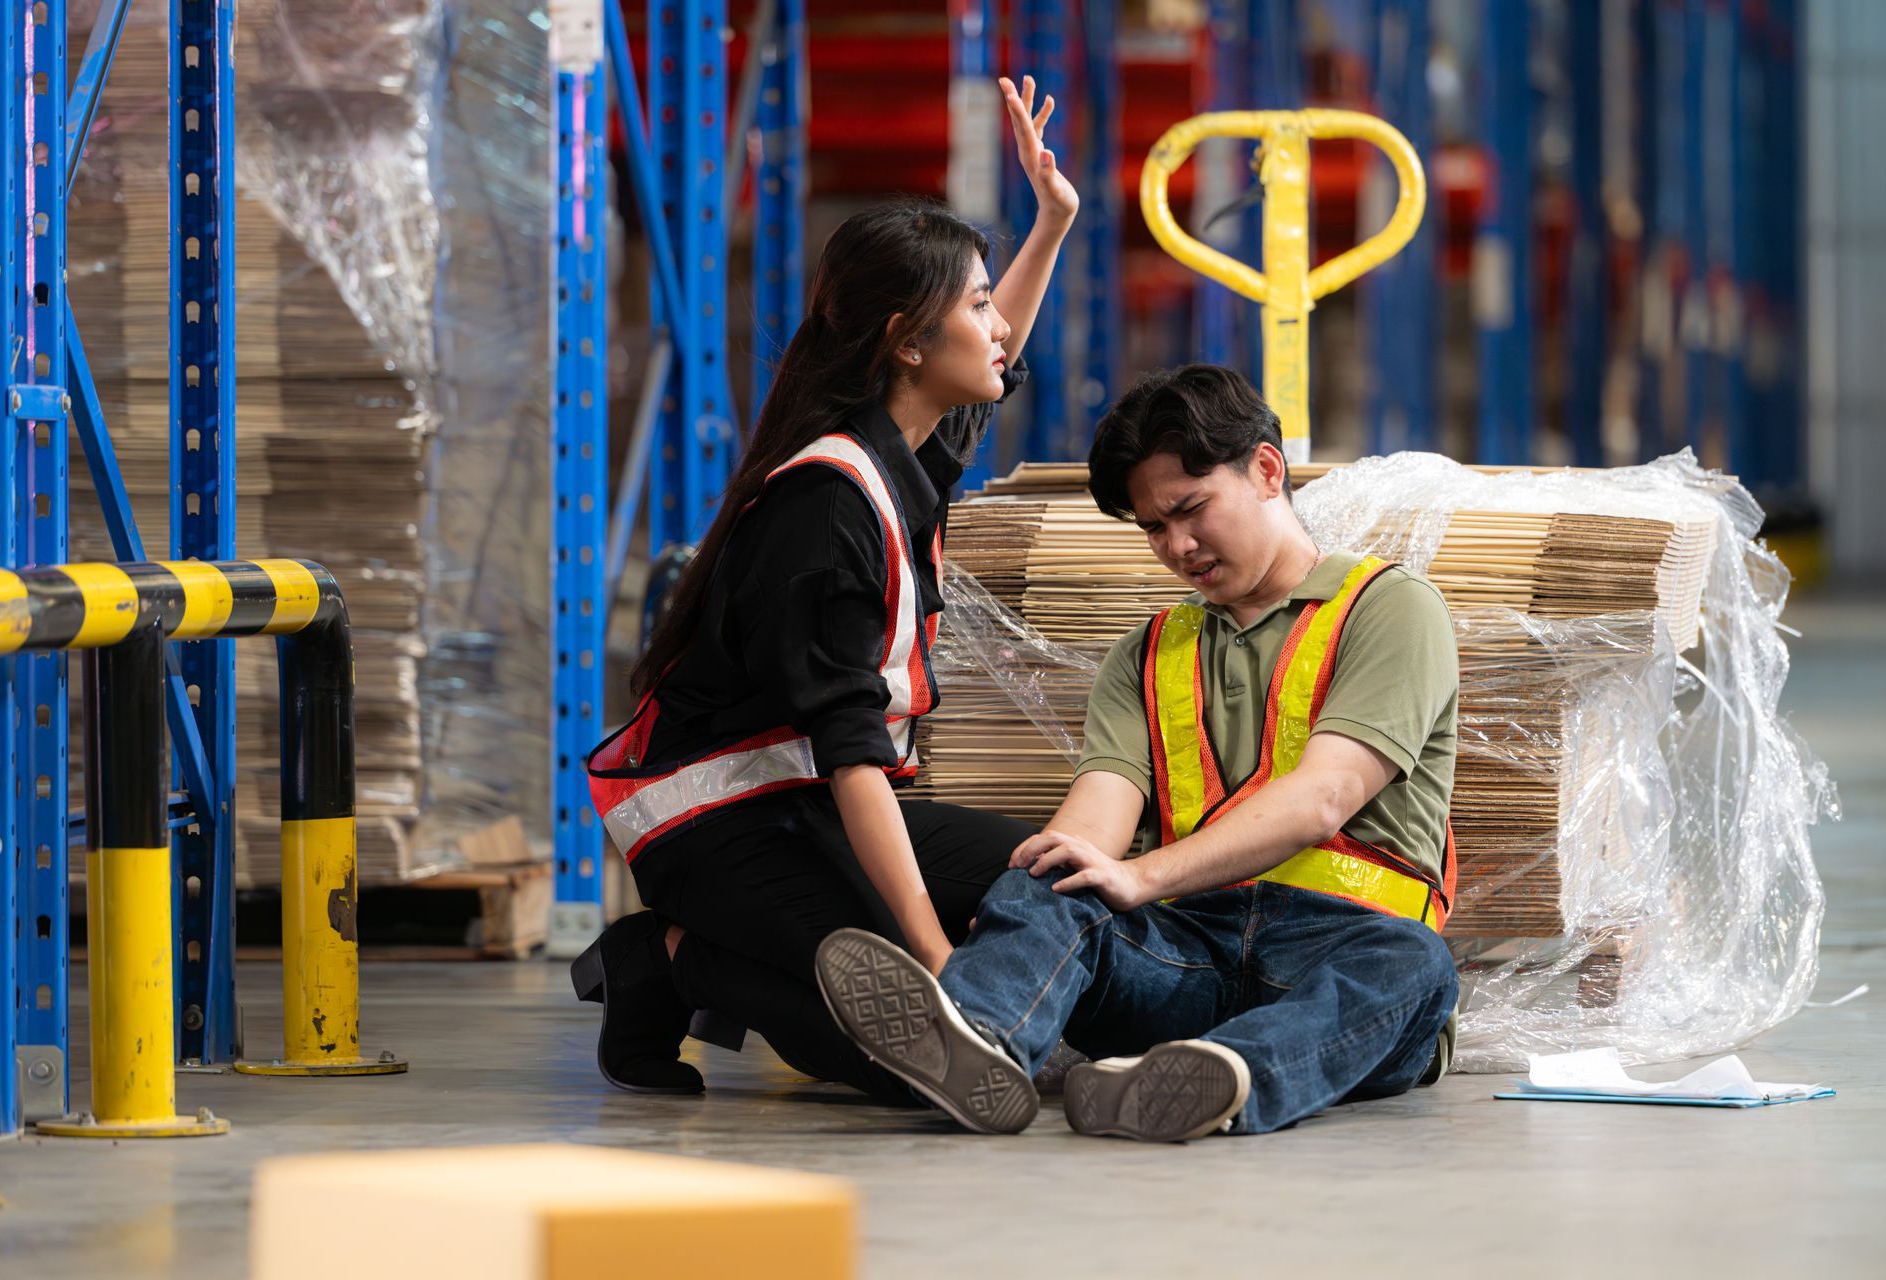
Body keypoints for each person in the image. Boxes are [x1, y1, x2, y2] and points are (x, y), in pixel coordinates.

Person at [572, 76, 1078, 1107]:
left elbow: (990, 368)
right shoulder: (826, 505)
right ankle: (663, 958)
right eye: (975, 305)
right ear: (905, 341)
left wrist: (1054, 220)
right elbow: (850, 749)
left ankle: (857, 971)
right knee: (909, 1056)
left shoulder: (894, 452)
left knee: (1047, 870)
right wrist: (938, 957)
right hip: (712, 821)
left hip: (805, 799)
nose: (995, 328)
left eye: (989, 301)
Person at [816, 363, 1462, 1140]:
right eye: (1154, 528)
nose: (1177, 546)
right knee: (1047, 875)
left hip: (1341, 949)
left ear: (1265, 469)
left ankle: (1219, 1076)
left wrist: (1144, 876)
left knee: (1416, 966)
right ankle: (977, 1039)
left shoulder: (1389, 609)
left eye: (1191, 510)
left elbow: (1323, 797)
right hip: (1188, 953)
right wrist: (1060, 868)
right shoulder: (1146, 655)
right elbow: (1096, 820)